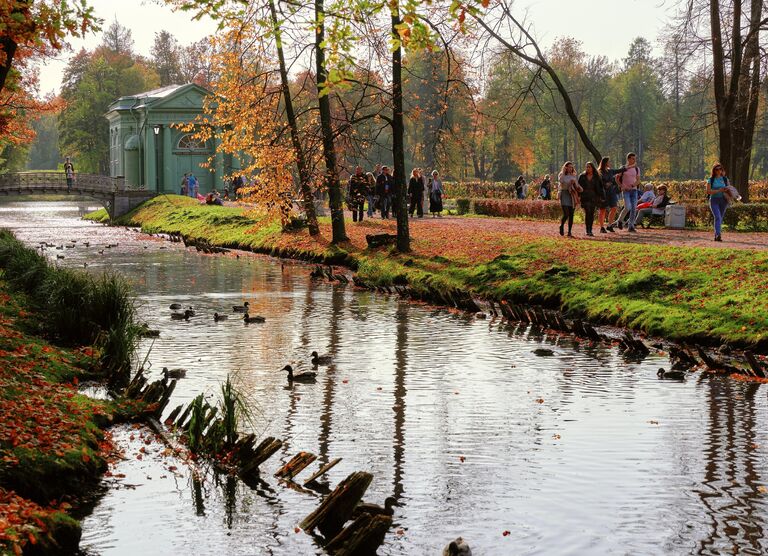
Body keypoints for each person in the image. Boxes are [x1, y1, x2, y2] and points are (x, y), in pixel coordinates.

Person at [615, 152, 641, 232]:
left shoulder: (637, 169)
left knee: (633, 208)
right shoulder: (623, 168)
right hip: (626, 191)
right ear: (628, 159)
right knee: (627, 207)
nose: (634, 160)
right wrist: (621, 186)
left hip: (634, 190)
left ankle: (631, 226)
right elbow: (616, 178)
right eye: (633, 158)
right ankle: (619, 220)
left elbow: (638, 180)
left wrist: (634, 185)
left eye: (635, 158)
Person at [578, 161, 603, 236]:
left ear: (592, 168)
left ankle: (590, 229)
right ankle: (587, 229)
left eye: (589, 167)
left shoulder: (597, 177)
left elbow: (600, 187)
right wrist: (578, 196)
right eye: (587, 167)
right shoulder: (582, 176)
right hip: (585, 196)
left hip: (593, 197)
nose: (588, 168)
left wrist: (601, 196)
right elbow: (578, 186)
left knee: (591, 213)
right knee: (587, 212)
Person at [706, 163, 729, 242]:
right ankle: (718, 235)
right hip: (714, 200)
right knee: (718, 217)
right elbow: (708, 191)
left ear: (722, 170)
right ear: (714, 170)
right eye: (717, 169)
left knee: (720, 218)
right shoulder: (710, 180)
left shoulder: (725, 179)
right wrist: (719, 190)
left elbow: (729, 189)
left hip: (724, 200)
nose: (719, 171)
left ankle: (717, 234)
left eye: (720, 169)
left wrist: (727, 190)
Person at [557, 161, 580, 237]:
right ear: (565, 167)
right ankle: (562, 225)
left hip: (572, 195)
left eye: (571, 167)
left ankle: (569, 231)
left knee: (571, 214)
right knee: (566, 213)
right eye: (569, 167)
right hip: (564, 194)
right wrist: (563, 172)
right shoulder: (561, 174)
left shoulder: (574, 176)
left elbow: (577, 186)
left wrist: (575, 184)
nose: (570, 168)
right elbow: (561, 181)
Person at [597, 157, 618, 233]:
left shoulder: (610, 171)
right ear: (605, 163)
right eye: (609, 161)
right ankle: (602, 227)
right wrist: (605, 184)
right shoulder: (599, 171)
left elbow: (619, 171)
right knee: (602, 210)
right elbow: (598, 183)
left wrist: (629, 166)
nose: (610, 162)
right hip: (603, 193)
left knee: (614, 207)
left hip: (611, 192)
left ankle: (609, 225)